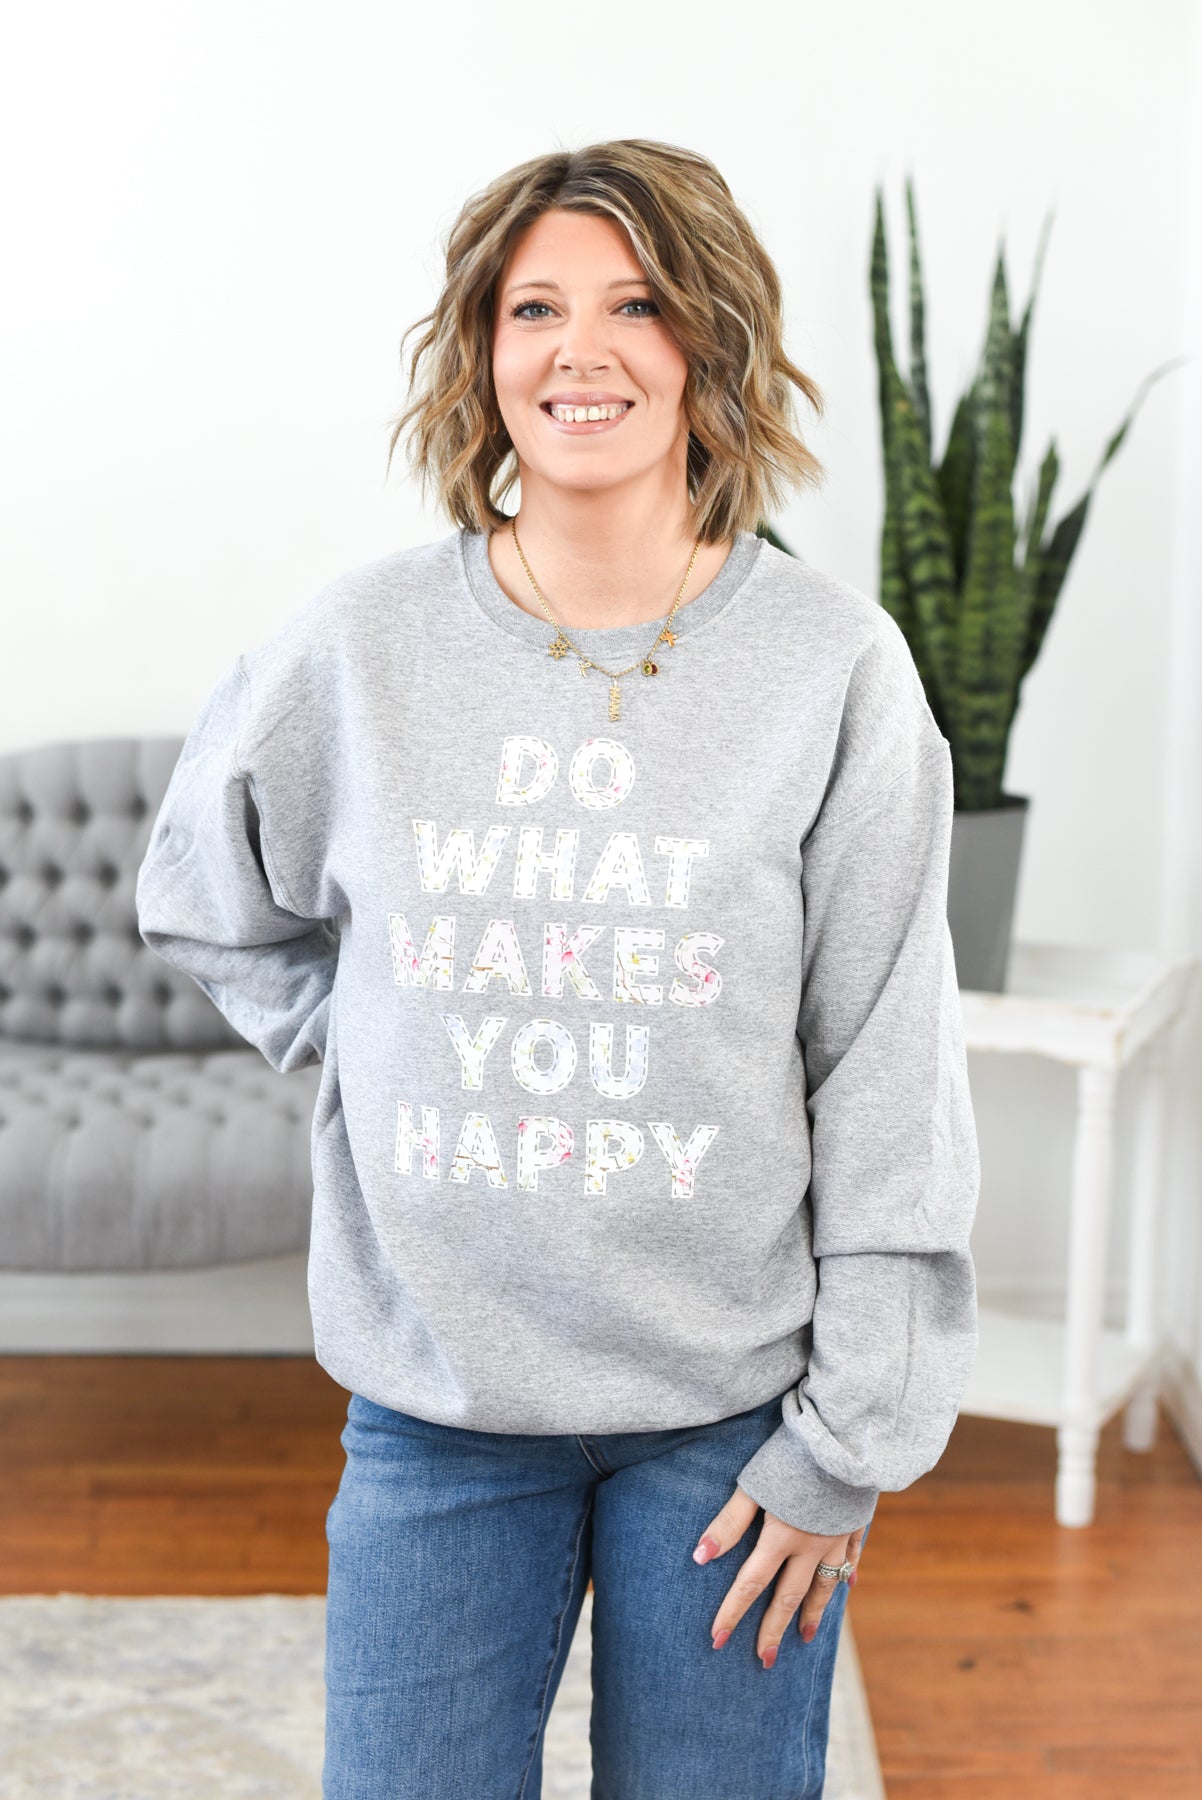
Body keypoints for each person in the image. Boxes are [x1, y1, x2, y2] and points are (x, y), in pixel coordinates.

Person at [136, 137, 980, 1799]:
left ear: (709, 341)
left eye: (634, 303)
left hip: (731, 1423)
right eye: (533, 307)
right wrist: (376, 1038)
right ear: (481, 349)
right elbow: (200, 891)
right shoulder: (360, 645)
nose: (578, 350)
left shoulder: (834, 669)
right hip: (435, 1417)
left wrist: (850, 1446)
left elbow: (886, 1066)